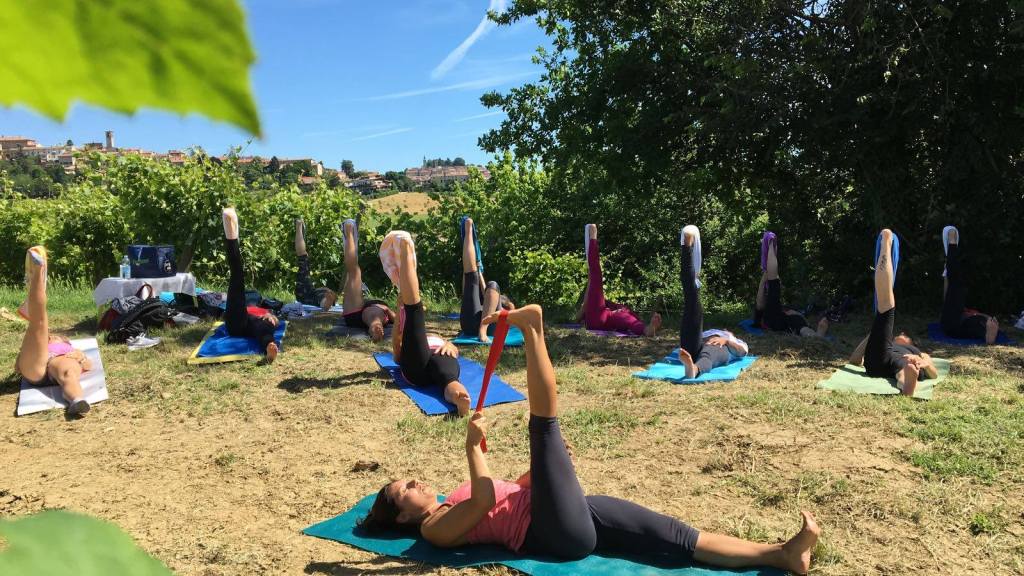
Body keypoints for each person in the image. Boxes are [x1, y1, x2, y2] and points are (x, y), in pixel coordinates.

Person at [359, 304, 820, 573]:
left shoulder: (450, 497)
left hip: (561, 506)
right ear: (401, 519)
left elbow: (508, 493)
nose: (416, 482)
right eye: (406, 490)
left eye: (409, 479)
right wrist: (472, 447)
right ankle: (534, 330)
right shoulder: (433, 530)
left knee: (677, 534)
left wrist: (542, 472)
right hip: (552, 532)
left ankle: (781, 555)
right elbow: (482, 505)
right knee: (542, 426)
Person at [381, 231, 471, 416]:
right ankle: (405, 249)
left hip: (438, 355)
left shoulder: (435, 338)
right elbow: (398, 356)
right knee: (413, 309)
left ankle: (459, 397)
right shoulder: (414, 336)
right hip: (417, 365)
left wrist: (449, 344)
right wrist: (400, 312)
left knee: (449, 379)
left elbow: (452, 348)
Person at [849, 229, 937, 396]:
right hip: (881, 354)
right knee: (885, 311)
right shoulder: (890, 342)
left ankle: (907, 384)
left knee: (887, 307)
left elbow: (934, 372)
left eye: (904, 334)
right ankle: (907, 382)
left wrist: (924, 364)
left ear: (911, 342)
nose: (901, 332)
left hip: (881, 364)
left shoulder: (917, 352)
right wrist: (875, 332)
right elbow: (854, 360)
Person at [14, 246, 93, 416]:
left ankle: (77, 400)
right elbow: (18, 366)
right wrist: (21, 358)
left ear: (65, 340)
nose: (54, 336)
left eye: (58, 337)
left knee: (69, 373)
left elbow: (89, 365)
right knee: (39, 322)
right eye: (53, 336)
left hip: (57, 363)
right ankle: (38, 272)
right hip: (37, 366)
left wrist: (82, 357)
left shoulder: (69, 349)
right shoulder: (44, 340)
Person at [676, 226, 749, 378]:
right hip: (696, 343)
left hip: (716, 349)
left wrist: (726, 340)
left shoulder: (733, 339)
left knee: (709, 352)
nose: (723, 329)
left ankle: (694, 370)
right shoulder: (709, 332)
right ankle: (686, 247)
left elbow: (743, 352)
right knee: (690, 298)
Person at [578, 224, 661, 336]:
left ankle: (647, 330)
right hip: (600, 317)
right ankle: (593, 239)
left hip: (602, 319)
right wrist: (591, 280)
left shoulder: (623, 312)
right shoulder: (610, 306)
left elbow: (632, 323)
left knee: (596, 277)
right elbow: (580, 314)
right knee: (595, 277)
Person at [222, 207, 280, 363]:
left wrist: (270, 316)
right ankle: (232, 240)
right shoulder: (249, 298)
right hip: (238, 317)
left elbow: (275, 319)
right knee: (237, 278)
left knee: (265, 327)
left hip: (254, 323)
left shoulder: (264, 305)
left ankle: (269, 347)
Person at [754, 231, 830, 338]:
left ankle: (815, 335)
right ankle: (814, 334)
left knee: (799, 325)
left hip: (780, 320)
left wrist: (764, 280)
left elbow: (760, 302)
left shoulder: (766, 312)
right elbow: (760, 303)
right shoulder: (766, 309)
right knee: (800, 326)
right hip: (780, 320)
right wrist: (764, 280)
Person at [938, 226, 999, 344]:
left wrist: (986, 320)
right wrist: (986, 319)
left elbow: (948, 297)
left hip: (953, 324)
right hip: (958, 324)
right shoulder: (974, 315)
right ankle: (951, 250)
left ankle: (952, 245)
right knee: (955, 285)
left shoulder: (968, 313)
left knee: (956, 285)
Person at [340, 218, 394, 342]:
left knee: (354, 271)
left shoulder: (377, 306)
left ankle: (348, 232)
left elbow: (397, 319)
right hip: (357, 315)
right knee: (353, 272)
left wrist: (389, 311)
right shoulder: (379, 307)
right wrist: (389, 312)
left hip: (365, 311)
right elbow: (398, 320)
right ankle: (375, 326)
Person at [459, 217, 512, 342]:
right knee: (472, 278)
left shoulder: (507, 305)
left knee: (482, 281)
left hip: (483, 326)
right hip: (473, 324)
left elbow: (487, 292)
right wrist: (478, 269)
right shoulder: (487, 298)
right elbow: (485, 291)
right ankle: (468, 229)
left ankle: (482, 330)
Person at [293, 219, 337, 311]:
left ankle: (299, 226)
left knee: (303, 257)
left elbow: (324, 305)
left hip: (306, 295)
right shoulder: (318, 293)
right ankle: (299, 226)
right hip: (309, 293)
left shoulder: (320, 294)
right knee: (303, 257)